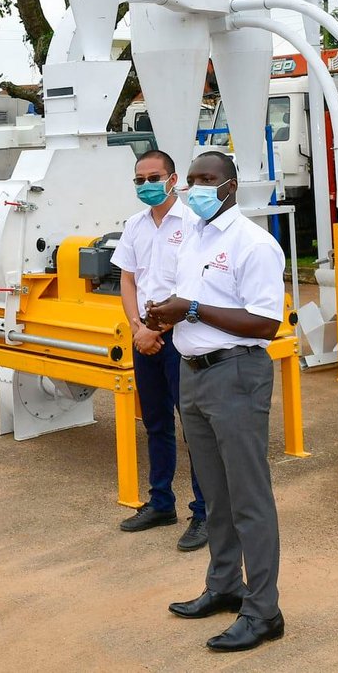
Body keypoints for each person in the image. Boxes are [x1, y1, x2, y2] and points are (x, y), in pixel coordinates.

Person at [145, 151, 286, 653]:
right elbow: (189, 304)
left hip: (236, 374)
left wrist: (193, 309)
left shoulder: (255, 244)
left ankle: (264, 610)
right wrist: (165, 314)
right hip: (194, 374)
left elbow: (266, 324)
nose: (199, 187)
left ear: (231, 185)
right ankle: (226, 585)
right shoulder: (194, 238)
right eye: (194, 179)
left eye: (209, 179)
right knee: (215, 493)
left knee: (249, 496)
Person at [111, 149, 208, 550]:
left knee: (195, 428)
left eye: (154, 177)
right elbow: (128, 280)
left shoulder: (193, 225)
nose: (147, 185)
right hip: (143, 338)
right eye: (140, 180)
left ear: (173, 180)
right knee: (155, 423)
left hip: (180, 338)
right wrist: (137, 327)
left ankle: (204, 512)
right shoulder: (134, 225)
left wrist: (159, 328)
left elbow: (195, 283)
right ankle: (161, 502)